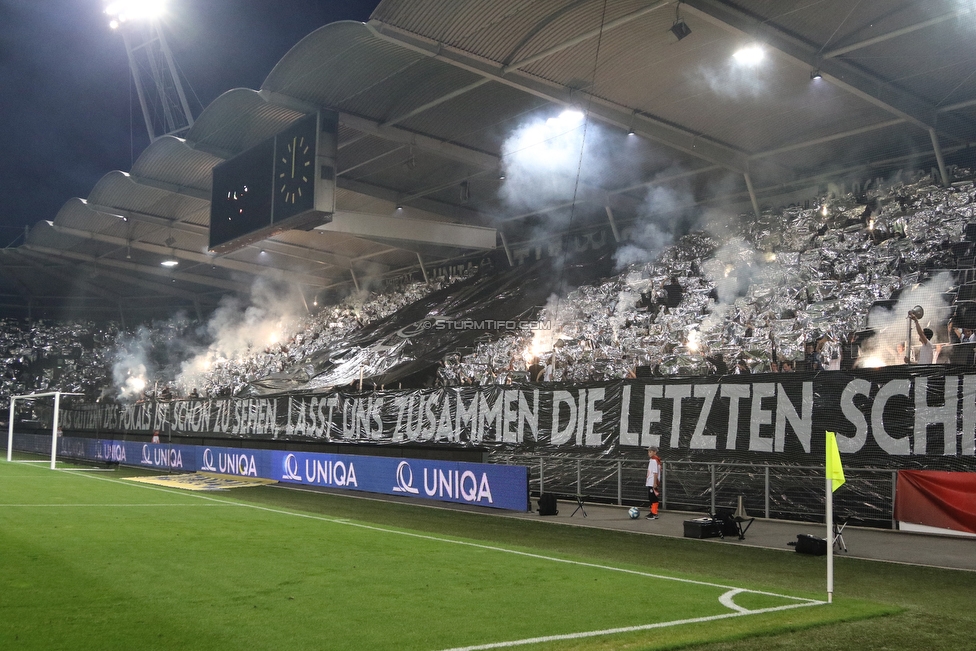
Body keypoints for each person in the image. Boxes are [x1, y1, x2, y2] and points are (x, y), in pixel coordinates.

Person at [645, 446, 661, 520]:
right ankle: (652, 512)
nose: (649, 453)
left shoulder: (654, 460)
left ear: (655, 452)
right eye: (648, 452)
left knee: (653, 497)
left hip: (652, 482)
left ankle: (654, 513)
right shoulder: (653, 460)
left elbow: (655, 472)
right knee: (650, 497)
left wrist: (654, 483)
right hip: (650, 481)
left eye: (650, 451)